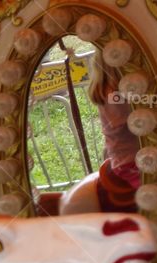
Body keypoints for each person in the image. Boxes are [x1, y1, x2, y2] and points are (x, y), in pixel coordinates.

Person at [61, 53, 142, 214]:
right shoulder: (112, 93)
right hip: (129, 161)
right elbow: (124, 124)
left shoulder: (112, 91)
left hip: (126, 155)